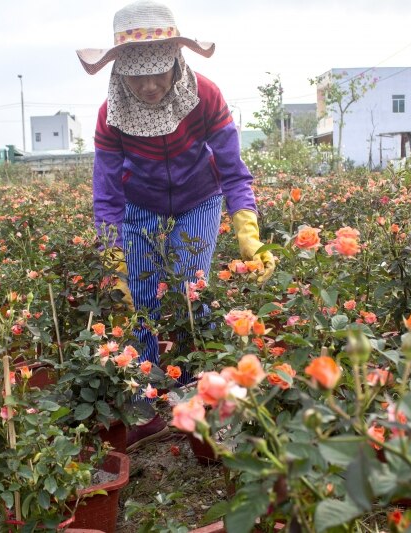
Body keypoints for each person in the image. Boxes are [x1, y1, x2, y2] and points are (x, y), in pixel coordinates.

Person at [76, 0, 275, 450]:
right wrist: (113, 261)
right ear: (119, 71)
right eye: (136, 74)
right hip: (139, 203)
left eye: (158, 71)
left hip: (197, 198)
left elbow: (233, 170)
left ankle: (191, 393)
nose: (148, 85)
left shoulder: (205, 95)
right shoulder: (111, 116)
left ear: (176, 61)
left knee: (191, 286)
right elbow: (107, 196)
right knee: (141, 295)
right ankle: (145, 403)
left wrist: (248, 233)